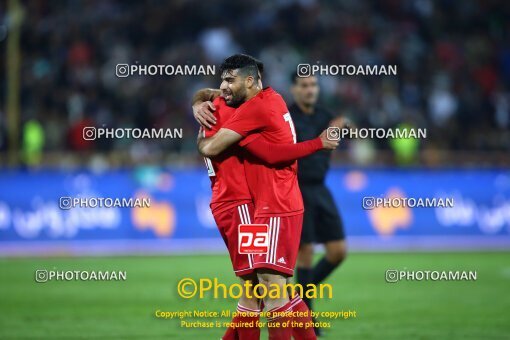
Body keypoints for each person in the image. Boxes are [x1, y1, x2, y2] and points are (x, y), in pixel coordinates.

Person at [193, 55, 339, 339]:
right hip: (252, 204)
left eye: (228, 81)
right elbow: (269, 153)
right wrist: (197, 102)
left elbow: (213, 148)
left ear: (250, 81)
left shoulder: (243, 110)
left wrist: (198, 118)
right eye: (222, 81)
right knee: (266, 290)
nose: (222, 87)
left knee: (262, 291)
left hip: (257, 205)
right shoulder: (252, 102)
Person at [289, 73, 348, 334]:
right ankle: (306, 318)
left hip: (321, 189)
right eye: (304, 85)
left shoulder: (326, 115)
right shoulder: (286, 117)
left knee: (338, 252)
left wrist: (344, 123)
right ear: (294, 89)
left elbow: (349, 126)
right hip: (297, 188)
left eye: (313, 85)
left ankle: (297, 299)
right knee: (306, 252)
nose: (310, 90)